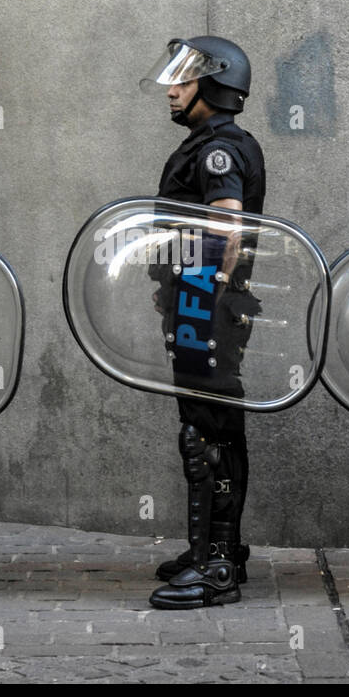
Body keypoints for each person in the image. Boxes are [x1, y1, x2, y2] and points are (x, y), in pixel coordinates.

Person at [138, 36, 265, 609]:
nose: (171, 88)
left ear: (211, 86)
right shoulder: (212, 143)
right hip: (196, 302)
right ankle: (219, 548)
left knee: (206, 430)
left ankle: (216, 569)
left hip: (203, 304)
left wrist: (207, 292)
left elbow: (226, 226)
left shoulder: (220, 149)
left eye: (182, 81)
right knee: (213, 423)